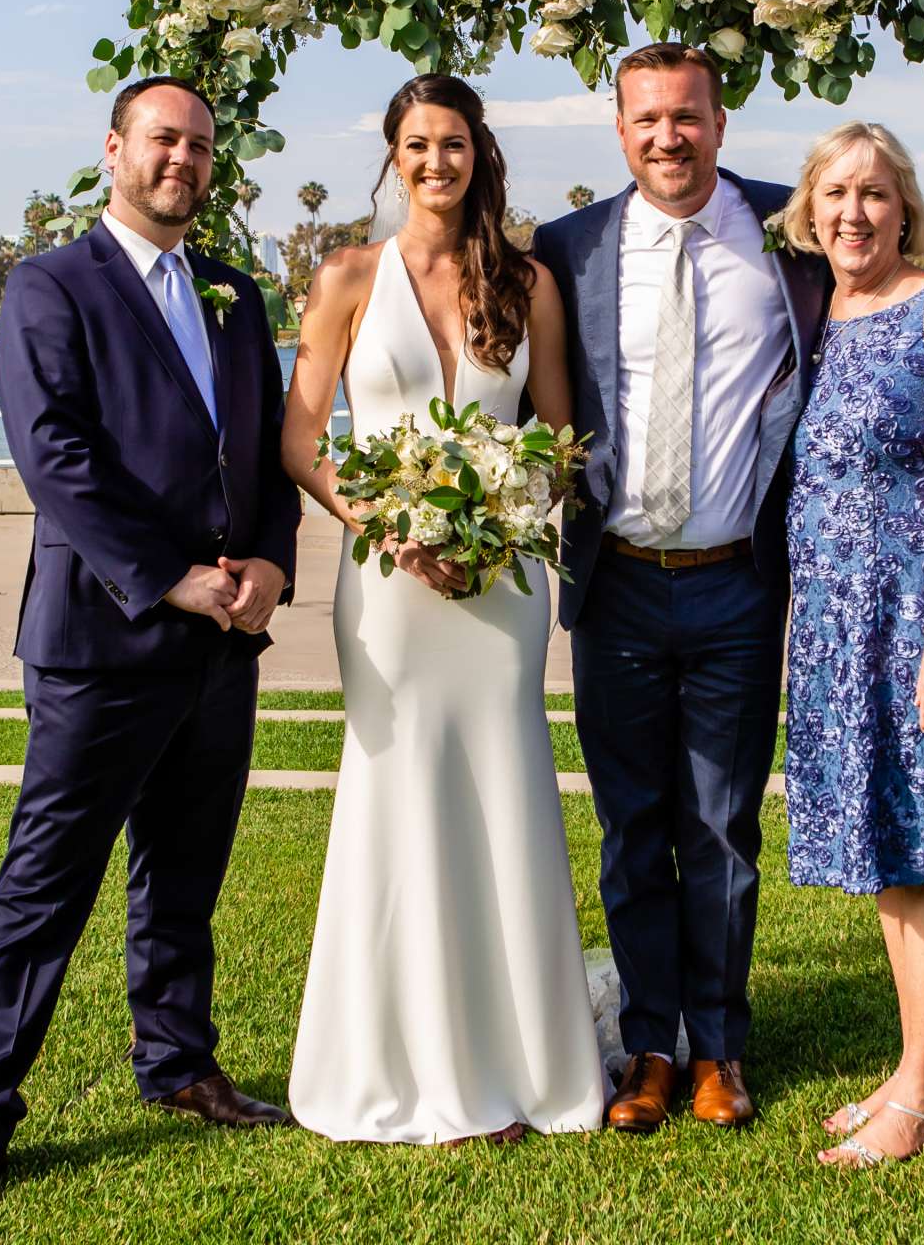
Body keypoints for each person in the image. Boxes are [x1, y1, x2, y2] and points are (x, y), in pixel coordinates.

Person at [531, 44, 924, 1134]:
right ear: (621, 129)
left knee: (724, 824)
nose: (667, 137)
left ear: (720, 123)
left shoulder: (796, 231)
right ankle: (648, 1044)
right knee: (633, 824)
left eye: (686, 116)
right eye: (646, 119)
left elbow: (891, 249)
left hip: (740, 585)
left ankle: (721, 1048)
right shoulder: (568, 248)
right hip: (619, 584)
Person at [0, 77, 303, 1221]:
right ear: (115, 150)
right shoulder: (52, 286)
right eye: (162, 140)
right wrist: (176, 577)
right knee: (47, 888)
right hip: (101, 644)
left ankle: (179, 1061)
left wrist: (272, 565)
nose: (181, 159)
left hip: (224, 643)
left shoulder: (235, 291)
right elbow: (57, 458)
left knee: (185, 874)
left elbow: (272, 453)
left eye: (198, 144)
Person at [280, 74, 608, 1145]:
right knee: (398, 793)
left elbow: (558, 442)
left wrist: (502, 523)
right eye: (417, 144)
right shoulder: (342, 277)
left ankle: (519, 1064)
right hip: (383, 589)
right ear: (393, 153)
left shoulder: (525, 285)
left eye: (454, 143)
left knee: (502, 796)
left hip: (499, 590)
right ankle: (397, 1058)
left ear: (480, 153)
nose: (436, 162)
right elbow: (302, 438)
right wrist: (386, 523)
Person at [776, 123, 924, 1169]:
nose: (852, 212)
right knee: (887, 851)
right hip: (833, 629)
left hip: (915, 619)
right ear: (808, 207)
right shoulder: (816, 303)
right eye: (834, 194)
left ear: (905, 204)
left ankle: (917, 1093)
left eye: (873, 193)